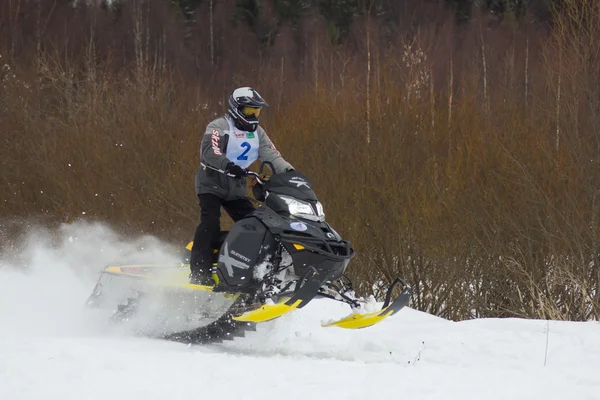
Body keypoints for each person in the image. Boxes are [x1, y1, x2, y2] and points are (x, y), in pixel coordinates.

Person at [190, 87, 294, 285]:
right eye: (249, 111)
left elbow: (272, 155)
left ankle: (251, 268)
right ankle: (199, 271)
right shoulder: (219, 126)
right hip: (211, 182)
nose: (254, 116)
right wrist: (228, 165)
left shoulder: (258, 133)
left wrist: (290, 173)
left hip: (236, 187)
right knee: (210, 222)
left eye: (257, 112)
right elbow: (209, 152)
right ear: (236, 109)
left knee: (257, 226)